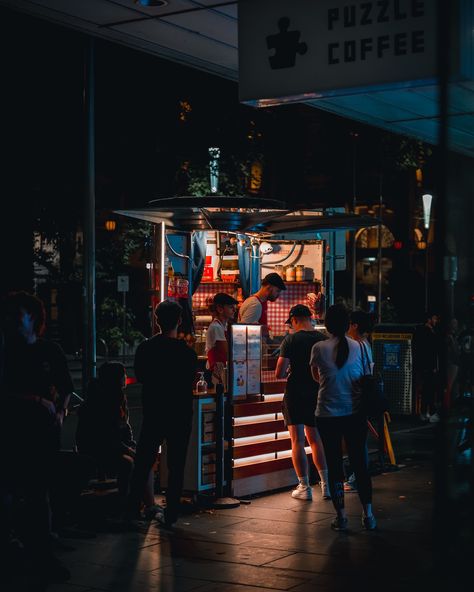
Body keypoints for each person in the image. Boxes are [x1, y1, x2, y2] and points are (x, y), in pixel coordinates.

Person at [0, 291, 73, 583]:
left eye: (18, 315)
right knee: (18, 492)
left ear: (34, 319)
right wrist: (39, 402)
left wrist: (60, 412)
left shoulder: (49, 351)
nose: (12, 321)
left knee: (38, 493)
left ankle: (38, 551)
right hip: (13, 433)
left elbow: (66, 387)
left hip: (42, 435)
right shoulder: (7, 351)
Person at [126, 300, 198, 528]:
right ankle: (172, 513)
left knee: (143, 462)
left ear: (156, 320)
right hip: (179, 413)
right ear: (179, 321)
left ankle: (131, 510)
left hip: (154, 411)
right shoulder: (187, 354)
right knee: (176, 465)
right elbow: (190, 382)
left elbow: (141, 376)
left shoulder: (146, 348)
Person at [310, 304, 376, 531]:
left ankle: (341, 516)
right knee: (360, 463)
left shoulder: (319, 347)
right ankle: (368, 515)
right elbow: (367, 376)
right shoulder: (361, 347)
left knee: (334, 463)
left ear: (327, 325)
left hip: (327, 413)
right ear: (348, 324)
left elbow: (316, 377)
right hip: (355, 412)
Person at [76, 361, 158, 513]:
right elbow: (106, 437)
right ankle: (129, 506)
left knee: (144, 457)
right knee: (130, 463)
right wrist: (129, 450)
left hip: (114, 445)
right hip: (98, 448)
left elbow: (125, 428)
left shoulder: (119, 398)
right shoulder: (102, 401)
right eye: (123, 375)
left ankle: (147, 503)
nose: (126, 377)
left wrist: (132, 445)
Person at [275, 304, 330, 501]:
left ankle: (304, 486)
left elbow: (279, 372)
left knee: (297, 440)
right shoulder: (323, 339)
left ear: (295, 319)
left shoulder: (291, 339)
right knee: (316, 439)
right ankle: (326, 485)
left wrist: (290, 371)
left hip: (295, 392)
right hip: (317, 392)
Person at [344, 310, 374, 493]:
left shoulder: (357, 345)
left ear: (355, 325)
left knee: (356, 439)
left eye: (349, 324)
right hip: (362, 394)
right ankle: (359, 475)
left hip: (357, 395)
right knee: (358, 438)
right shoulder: (365, 344)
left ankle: (357, 477)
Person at [238, 272, 286, 338]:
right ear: (269, 287)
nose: (278, 295)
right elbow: (242, 332)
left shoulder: (262, 302)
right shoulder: (255, 305)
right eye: (277, 291)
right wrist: (262, 330)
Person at [414, 311, 441, 423]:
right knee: (428, 389)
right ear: (429, 319)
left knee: (426, 389)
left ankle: (425, 412)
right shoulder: (427, 332)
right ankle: (428, 412)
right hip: (427, 366)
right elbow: (431, 351)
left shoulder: (420, 331)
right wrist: (433, 366)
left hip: (424, 366)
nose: (436, 321)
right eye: (434, 319)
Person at [206, 292, 238, 386]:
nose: (234, 310)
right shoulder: (216, 327)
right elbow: (227, 351)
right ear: (220, 309)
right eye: (230, 307)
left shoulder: (224, 326)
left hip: (222, 370)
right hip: (215, 372)